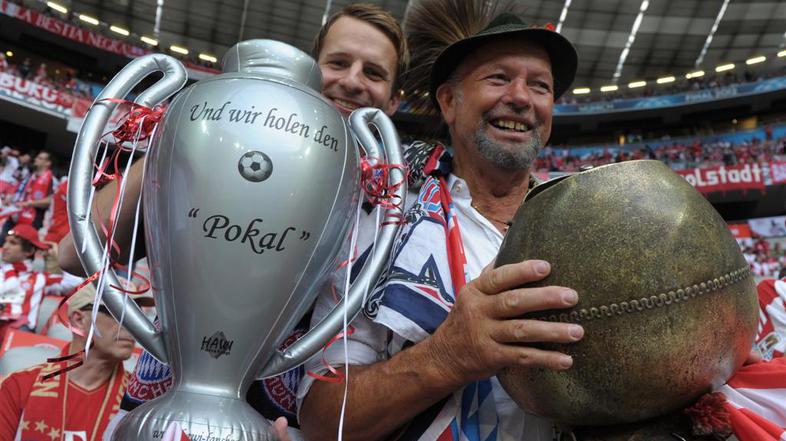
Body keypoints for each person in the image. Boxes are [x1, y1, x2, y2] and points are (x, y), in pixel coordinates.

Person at [58, 3, 410, 439]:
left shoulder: (392, 217)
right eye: (338, 63)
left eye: (373, 73)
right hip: (159, 419)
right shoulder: (214, 157)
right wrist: (178, 137)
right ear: (309, 71)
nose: (352, 81)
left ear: (393, 101)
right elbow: (73, 254)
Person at [298, 2, 583, 440]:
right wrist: (447, 357)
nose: (521, 98)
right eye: (498, 78)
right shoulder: (385, 220)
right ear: (449, 101)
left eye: (540, 86)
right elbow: (321, 417)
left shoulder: (583, 225)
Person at [0, 283, 150, 441]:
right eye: (118, 313)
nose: (131, 326)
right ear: (79, 320)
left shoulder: (140, 403)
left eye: (136, 316)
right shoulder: (19, 386)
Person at [0, 224, 80, 335]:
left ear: (29, 251)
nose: (5, 246)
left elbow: (75, 283)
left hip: (18, 333)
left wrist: (59, 257)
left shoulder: (41, 279)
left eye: (13, 243)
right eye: (6, 241)